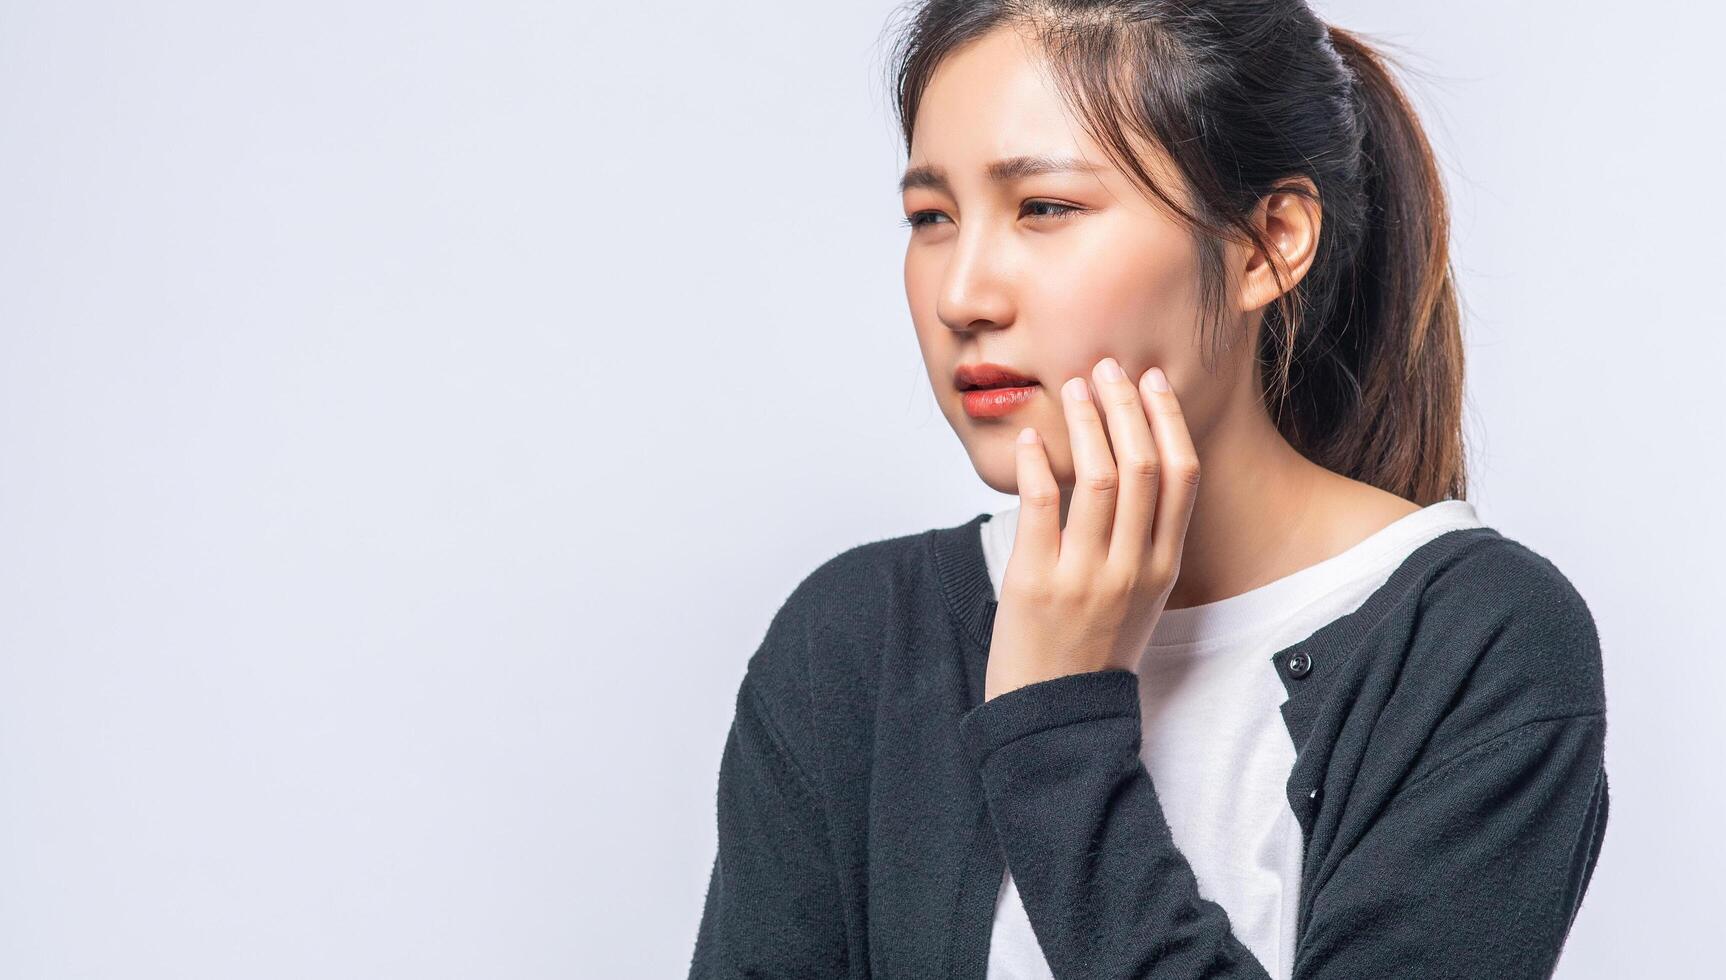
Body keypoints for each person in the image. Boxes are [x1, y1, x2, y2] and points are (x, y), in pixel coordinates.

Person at [689, 3, 1609, 978]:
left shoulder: (1479, 644)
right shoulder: (858, 639)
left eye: (1044, 206)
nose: (961, 295)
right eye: (929, 217)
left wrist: (1054, 714)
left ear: (1266, 244)